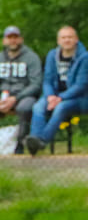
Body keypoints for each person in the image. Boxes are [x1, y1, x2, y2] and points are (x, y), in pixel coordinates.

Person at [25, 26, 88, 154]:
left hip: (78, 99)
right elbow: (47, 80)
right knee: (38, 106)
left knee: (61, 107)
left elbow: (81, 85)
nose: (67, 40)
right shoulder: (52, 55)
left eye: (70, 37)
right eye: (63, 37)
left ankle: (42, 140)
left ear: (76, 39)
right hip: (54, 96)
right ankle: (34, 140)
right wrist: (50, 96)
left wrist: (60, 98)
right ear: (58, 41)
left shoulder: (84, 57)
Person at [0, 25, 42, 154]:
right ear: (4, 41)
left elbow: (36, 84)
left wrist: (15, 98)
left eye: (15, 37)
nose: (13, 41)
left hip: (24, 95)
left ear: (21, 39)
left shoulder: (31, 58)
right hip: (3, 96)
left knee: (25, 108)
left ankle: (20, 144)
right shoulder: (1, 57)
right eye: (9, 37)